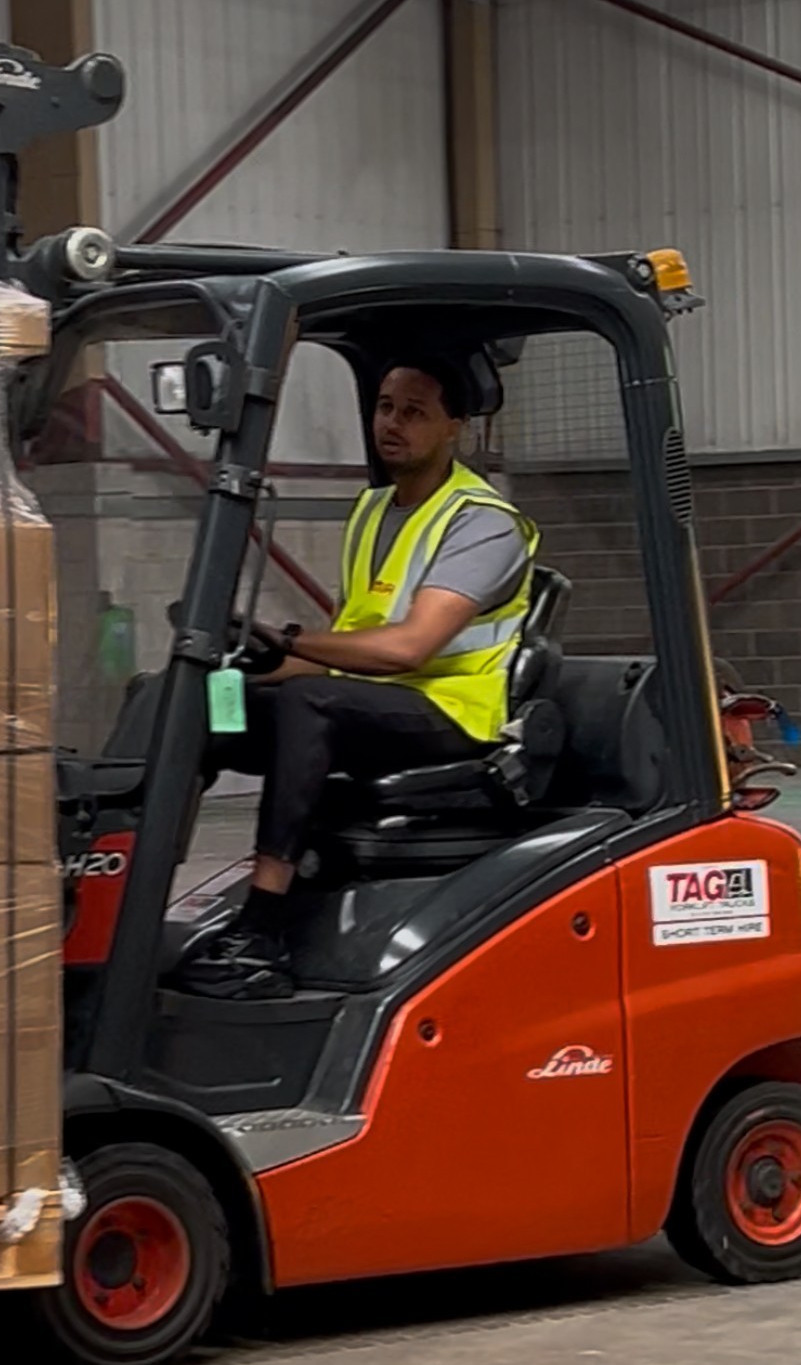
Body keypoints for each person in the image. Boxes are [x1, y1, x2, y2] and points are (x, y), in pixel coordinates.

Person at [179, 358, 540, 1000]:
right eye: (384, 407)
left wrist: (291, 645)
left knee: (306, 703)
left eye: (414, 412)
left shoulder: (481, 521)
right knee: (199, 698)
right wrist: (246, 658)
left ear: (455, 426)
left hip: (451, 714)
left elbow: (408, 647)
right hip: (366, 700)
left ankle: (262, 930)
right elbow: (342, 645)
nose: (391, 423)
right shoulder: (374, 510)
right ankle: (128, 880)